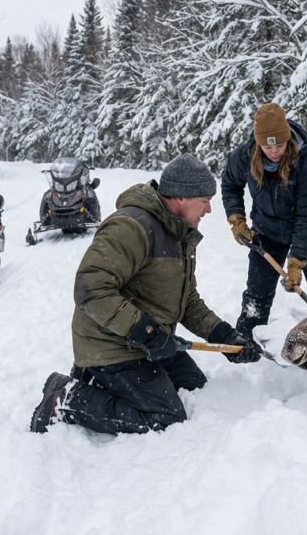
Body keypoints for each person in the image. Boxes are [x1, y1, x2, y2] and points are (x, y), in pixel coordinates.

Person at [30, 153, 263, 435]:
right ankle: (65, 397)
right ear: (180, 197)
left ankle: (101, 381)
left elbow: (186, 300)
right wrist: (147, 331)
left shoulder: (179, 232)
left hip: (151, 340)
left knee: (196, 389)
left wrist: (224, 336)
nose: (209, 209)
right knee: (166, 418)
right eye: (205, 200)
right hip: (113, 343)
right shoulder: (131, 226)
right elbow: (90, 288)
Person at [221, 103, 307, 340]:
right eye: (268, 146)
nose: (275, 151)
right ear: (258, 144)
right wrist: (236, 219)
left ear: (288, 139)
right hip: (267, 231)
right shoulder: (244, 157)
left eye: (280, 145)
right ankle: (246, 344)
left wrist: (296, 261)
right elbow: (230, 185)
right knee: (257, 296)